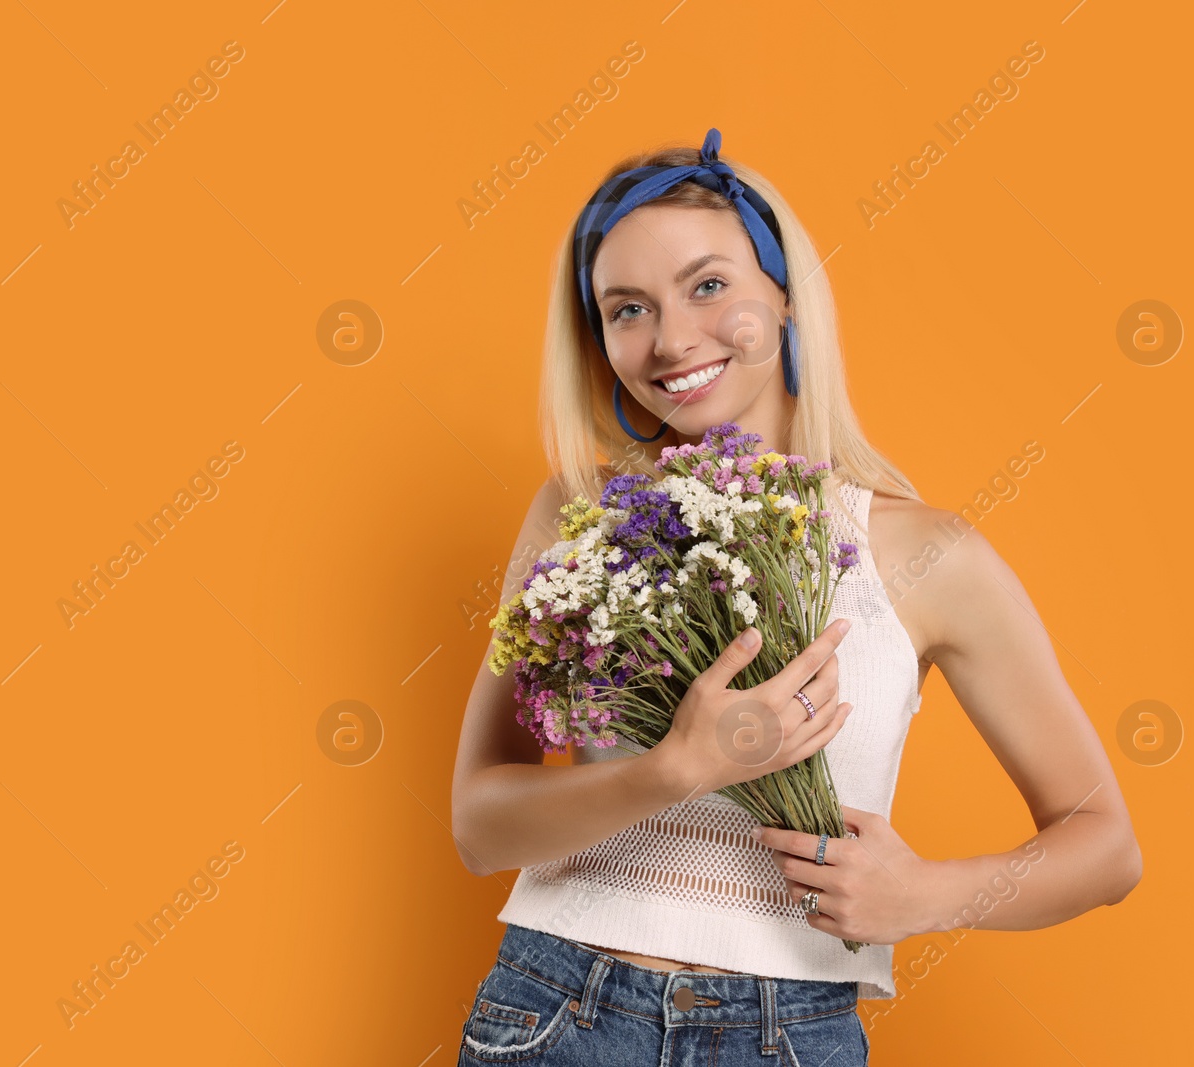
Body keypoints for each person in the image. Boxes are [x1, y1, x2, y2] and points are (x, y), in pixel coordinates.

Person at [449, 127, 1141, 1066]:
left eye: (708, 285)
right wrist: (673, 768)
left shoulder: (924, 552)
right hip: (559, 1011)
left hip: (786, 1035)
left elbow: (1106, 846)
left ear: (784, 296)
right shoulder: (583, 511)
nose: (672, 340)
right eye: (626, 308)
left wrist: (927, 895)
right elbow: (481, 825)